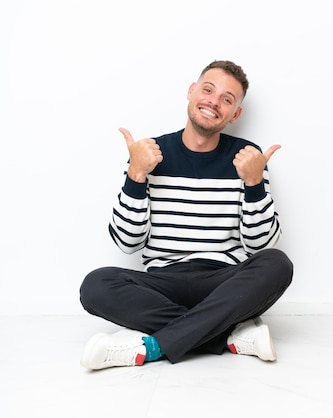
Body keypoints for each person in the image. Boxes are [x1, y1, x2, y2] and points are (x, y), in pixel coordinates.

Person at [79, 60, 293, 370]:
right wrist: (136, 174)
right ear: (192, 92)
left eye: (227, 99)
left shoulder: (248, 158)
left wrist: (254, 183)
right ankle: (228, 336)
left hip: (223, 283)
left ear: (235, 114)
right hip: (163, 282)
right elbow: (127, 242)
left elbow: (260, 246)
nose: (213, 102)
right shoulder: (148, 154)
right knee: (95, 285)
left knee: (277, 264)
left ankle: (152, 347)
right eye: (208, 90)